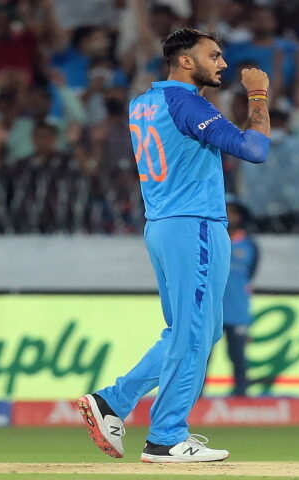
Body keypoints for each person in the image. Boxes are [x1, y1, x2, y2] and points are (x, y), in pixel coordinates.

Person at [77, 28, 271, 463]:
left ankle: (114, 401)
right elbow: (253, 149)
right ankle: (165, 436)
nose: (223, 64)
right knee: (192, 333)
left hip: (164, 224)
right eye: (214, 56)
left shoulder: (143, 103)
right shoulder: (188, 103)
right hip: (195, 226)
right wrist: (257, 96)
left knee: (197, 332)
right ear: (186, 61)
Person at [221, 195, 259, 396]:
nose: (230, 216)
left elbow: (250, 274)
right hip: (212, 309)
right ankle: (196, 400)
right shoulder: (212, 239)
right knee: (202, 357)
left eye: (233, 212)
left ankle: (241, 397)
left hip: (237, 310)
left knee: (238, 357)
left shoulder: (250, 245)